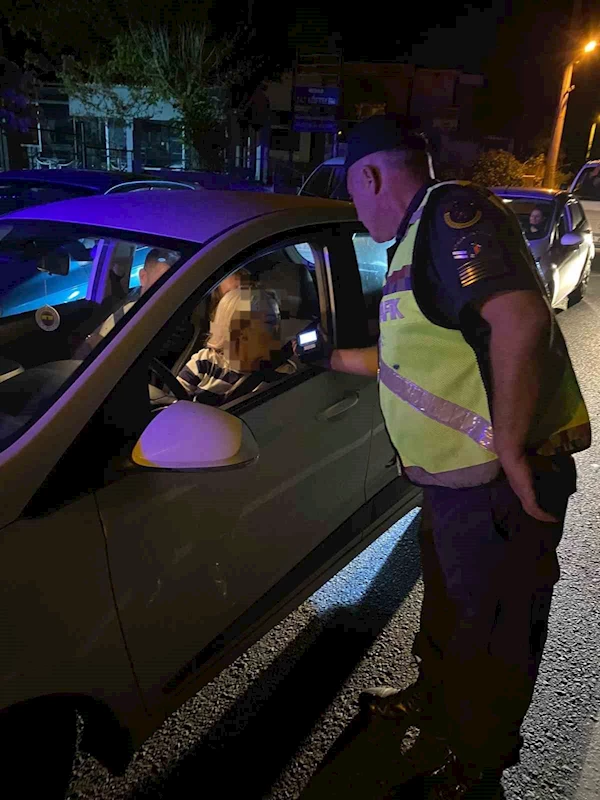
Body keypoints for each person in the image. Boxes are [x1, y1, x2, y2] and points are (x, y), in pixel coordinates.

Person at [297, 115, 590, 798]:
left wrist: (513, 452)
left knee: (495, 635)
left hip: (502, 487)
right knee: (455, 615)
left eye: (353, 189)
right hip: (463, 490)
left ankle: (475, 771)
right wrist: (317, 355)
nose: (356, 204)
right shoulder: (411, 246)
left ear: (369, 175)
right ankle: (434, 705)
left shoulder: (450, 216)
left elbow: (520, 318)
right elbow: (413, 354)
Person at [177, 269, 281, 403]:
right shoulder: (204, 363)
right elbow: (172, 404)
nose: (277, 329)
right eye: (270, 322)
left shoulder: (274, 376)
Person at [74, 247, 175, 358]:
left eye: (175, 284)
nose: (168, 289)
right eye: (162, 281)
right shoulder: (125, 308)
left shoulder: (165, 323)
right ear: (143, 277)